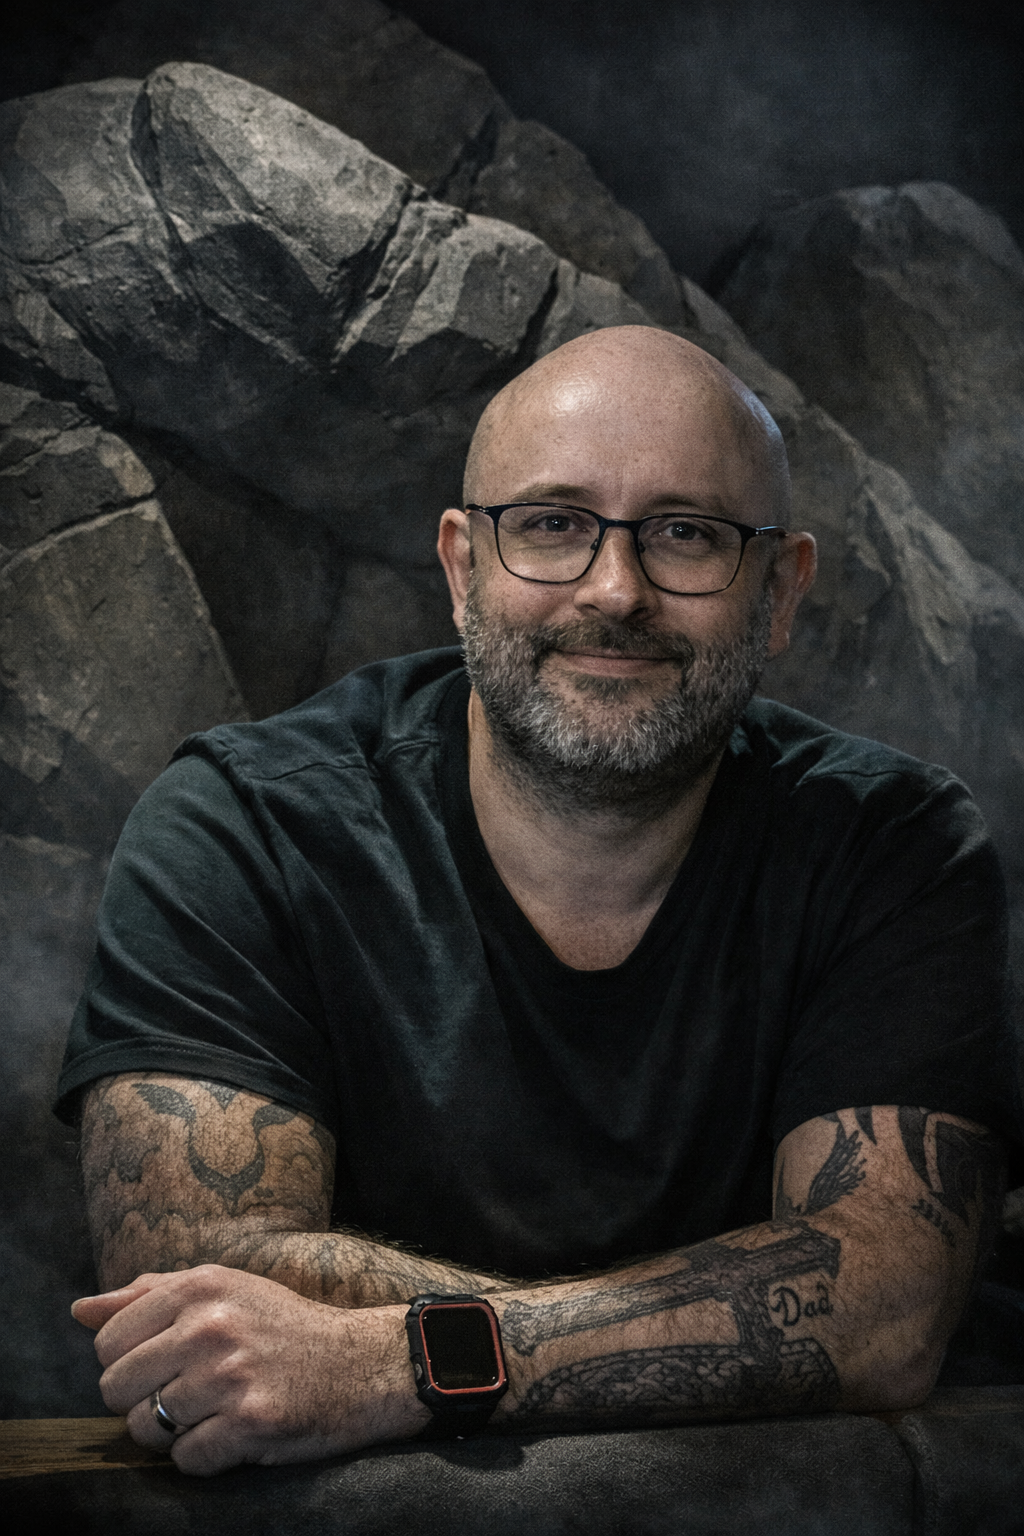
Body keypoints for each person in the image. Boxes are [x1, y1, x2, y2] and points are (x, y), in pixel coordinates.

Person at [58, 327, 1019, 1477]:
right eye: (553, 524)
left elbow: (884, 1309)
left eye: (687, 533)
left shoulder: (890, 845)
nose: (615, 590)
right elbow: (194, 1308)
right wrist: (719, 1323)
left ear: (779, 592)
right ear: (463, 568)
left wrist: (403, 1362)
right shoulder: (243, 826)